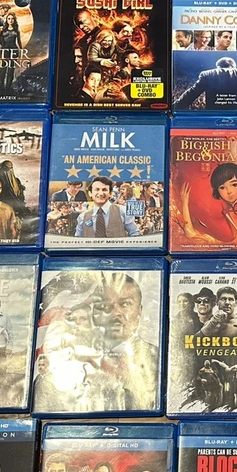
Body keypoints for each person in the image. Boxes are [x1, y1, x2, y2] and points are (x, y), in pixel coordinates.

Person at [91, 272, 159, 410]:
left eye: (125, 304)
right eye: (105, 305)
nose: (115, 312)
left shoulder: (159, 358)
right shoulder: (76, 360)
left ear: (140, 310)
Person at [178, 163, 237, 247]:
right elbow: (192, 236)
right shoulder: (216, 215)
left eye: (234, 184)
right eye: (222, 187)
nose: (229, 191)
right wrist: (185, 204)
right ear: (217, 191)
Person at [76, 176, 141, 238]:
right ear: (90, 193)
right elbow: (77, 241)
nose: (101, 193)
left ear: (110, 193)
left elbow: (135, 234)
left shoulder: (123, 212)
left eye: (104, 190)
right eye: (97, 189)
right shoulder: (82, 217)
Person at [0, 12, 22, 92]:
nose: (10, 20)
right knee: (2, 69)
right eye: (9, 18)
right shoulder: (1, 29)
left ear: (14, 20)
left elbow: (19, 42)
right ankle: (1, 88)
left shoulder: (16, 30)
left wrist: (22, 51)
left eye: (12, 19)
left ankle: (8, 89)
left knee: (11, 70)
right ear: (6, 19)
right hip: (4, 51)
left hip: (13, 51)